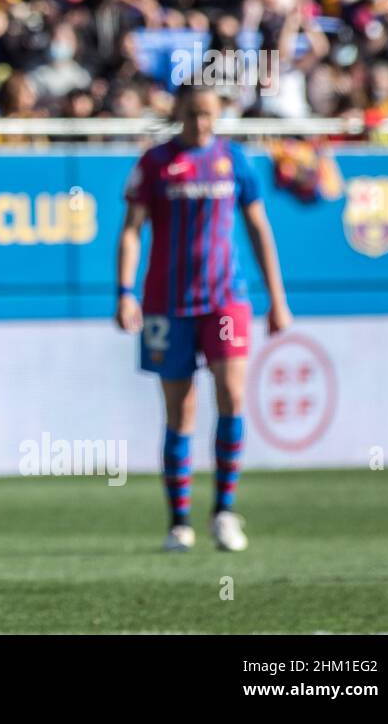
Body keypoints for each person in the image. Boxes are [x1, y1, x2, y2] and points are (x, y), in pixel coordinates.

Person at [114, 83, 292, 553]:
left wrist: (277, 297)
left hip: (224, 299)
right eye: (193, 114)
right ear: (178, 112)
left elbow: (258, 227)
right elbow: (131, 231)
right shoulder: (154, 163)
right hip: (167, 304)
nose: (201, 124)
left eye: (209, 115)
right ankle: (178, 522)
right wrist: (124, 292)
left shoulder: (234, 160)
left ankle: (225, 512)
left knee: (232, 394)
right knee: (181, 410)